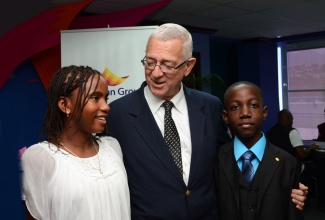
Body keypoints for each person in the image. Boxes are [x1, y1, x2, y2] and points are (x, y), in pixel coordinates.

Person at [106, 23, 307, 219]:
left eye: (167, 65)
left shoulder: (210, 107)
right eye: (150, 62)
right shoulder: (118, 114)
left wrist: (285, 187)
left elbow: (231, 162)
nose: (156, 73)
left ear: (188, 66)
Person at [21, 65, 130, 220]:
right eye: (95, 98)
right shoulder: (41, 158)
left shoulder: (112, 147)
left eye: (106, 99)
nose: (106, 107)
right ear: (65, 105)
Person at [215, 81, 304, 220]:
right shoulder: (215, 159)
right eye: (235, 107)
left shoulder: (288, 162)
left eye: (253, 105)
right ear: (225, 116)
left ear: (264, 112)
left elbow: (292, 213)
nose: (245, 113)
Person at [267, 109, 325, 211]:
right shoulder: (292, 132)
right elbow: (302, 154)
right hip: (293, 169)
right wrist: (311, 148)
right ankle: (321, 204)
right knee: (320, 169)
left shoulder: (269, 132)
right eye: (292, 118)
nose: (293, 121)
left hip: (276, 169)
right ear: (288, 119)